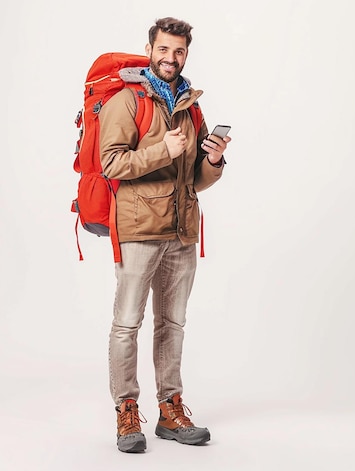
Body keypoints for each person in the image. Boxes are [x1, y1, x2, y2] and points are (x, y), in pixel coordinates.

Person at [98, 17, 231, 453]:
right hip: (137, 230)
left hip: (181, 230)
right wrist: (162, 150)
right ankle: (126, 412)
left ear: (185, 54)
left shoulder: (191, 106)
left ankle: (170, 410)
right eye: (164, 49)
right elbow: (112, 164)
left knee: (172, 324)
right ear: (150, 49)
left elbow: (194, 180)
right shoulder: (125, 100)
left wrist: (212, 160)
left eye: (179, 51)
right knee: (127, 325)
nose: (171, 58)